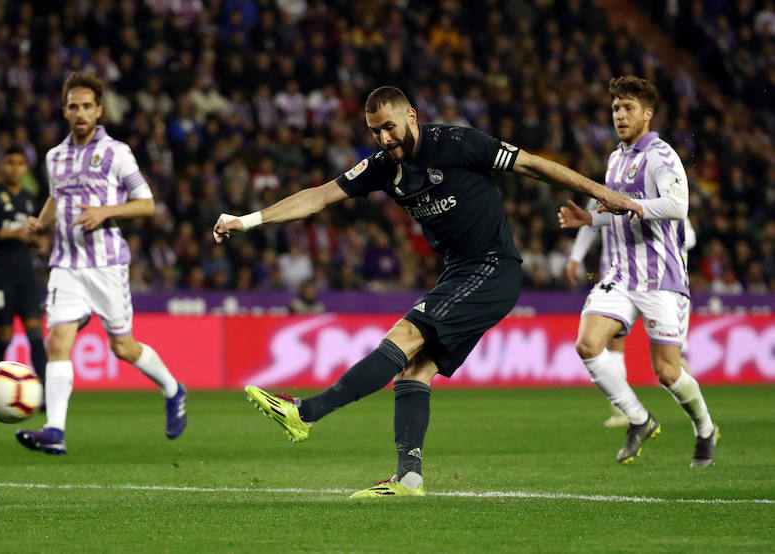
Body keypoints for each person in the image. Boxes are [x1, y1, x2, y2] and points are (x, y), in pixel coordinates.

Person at [214, 86, 642, 497]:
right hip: (460, 272)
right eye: (375, 131)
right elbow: (319, 197)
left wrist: (604, 194)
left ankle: (304, 413)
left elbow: (533, 165)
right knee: (413, 371)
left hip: (492, 267)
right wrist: (248, 220)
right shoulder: (382, 166)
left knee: (403, 336)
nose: (384, 138)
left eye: (390, 127)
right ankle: (409, 479)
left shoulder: (456, 142)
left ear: (411, 117)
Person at [16, 73, 186, 455]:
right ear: (65, 111)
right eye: (73, 106)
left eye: (87, 106)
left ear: (99, 110)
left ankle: (173, 389)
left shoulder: (118, 153)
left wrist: (105, 212)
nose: (80, 113)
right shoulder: (54, 156)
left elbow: (146, 203)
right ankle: (54, 430)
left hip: (106, 265)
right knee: (57, 340)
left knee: (123, 348)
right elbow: (56, 197)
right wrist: (41, 222)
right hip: (65, 263)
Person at [558, 76, 718, 467]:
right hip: (619, 276)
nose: (619, 115)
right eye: (615, 108)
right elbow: (617, 213)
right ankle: (638, 418)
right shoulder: (616, 158)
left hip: (660, 278)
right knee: (587, 344)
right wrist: (591, 220)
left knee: (667, 372)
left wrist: (631, 204)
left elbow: (678, 207)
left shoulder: (662, 156)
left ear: (647, 114)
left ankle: (705, 428)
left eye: (628, 108)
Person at [566, 199, 697, 428]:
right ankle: (621, 411)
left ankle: (694, 410)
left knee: (670, 356)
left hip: (658, 280)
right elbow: (591, 223)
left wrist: (666, 236)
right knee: (613, 343)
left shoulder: (656, 192)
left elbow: (689, 236)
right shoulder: (600, 192)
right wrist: (576, 256)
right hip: (617, 277)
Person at [0, 145, 47, 382]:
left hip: (25, 275)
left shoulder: (28, 199)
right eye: (10, 162)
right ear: (2, 166)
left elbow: (29, 232)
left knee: (35, 332)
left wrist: (36, 241)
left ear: (26, 168)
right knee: (4, 336)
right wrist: (11, 234)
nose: (15, 168)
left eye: (20, 163)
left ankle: (45, 393)